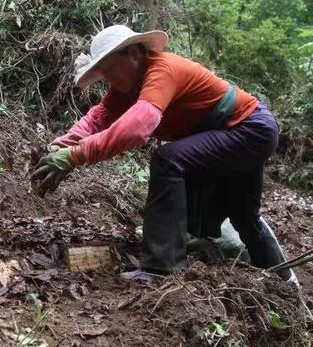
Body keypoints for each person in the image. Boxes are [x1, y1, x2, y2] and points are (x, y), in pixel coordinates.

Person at [31, 25, 296, 283]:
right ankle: (283, 280)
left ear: (134, 54)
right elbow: (97, 119)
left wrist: (76, 156)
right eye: (104, 74)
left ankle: (161, 268)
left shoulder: (161, 69)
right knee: (244, 216)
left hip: (250, 128)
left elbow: (137, 127)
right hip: (241, 131)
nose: (110, 80)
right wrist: (60, 146)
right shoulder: (126, 88)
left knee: (169, 160)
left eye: (111, 70)